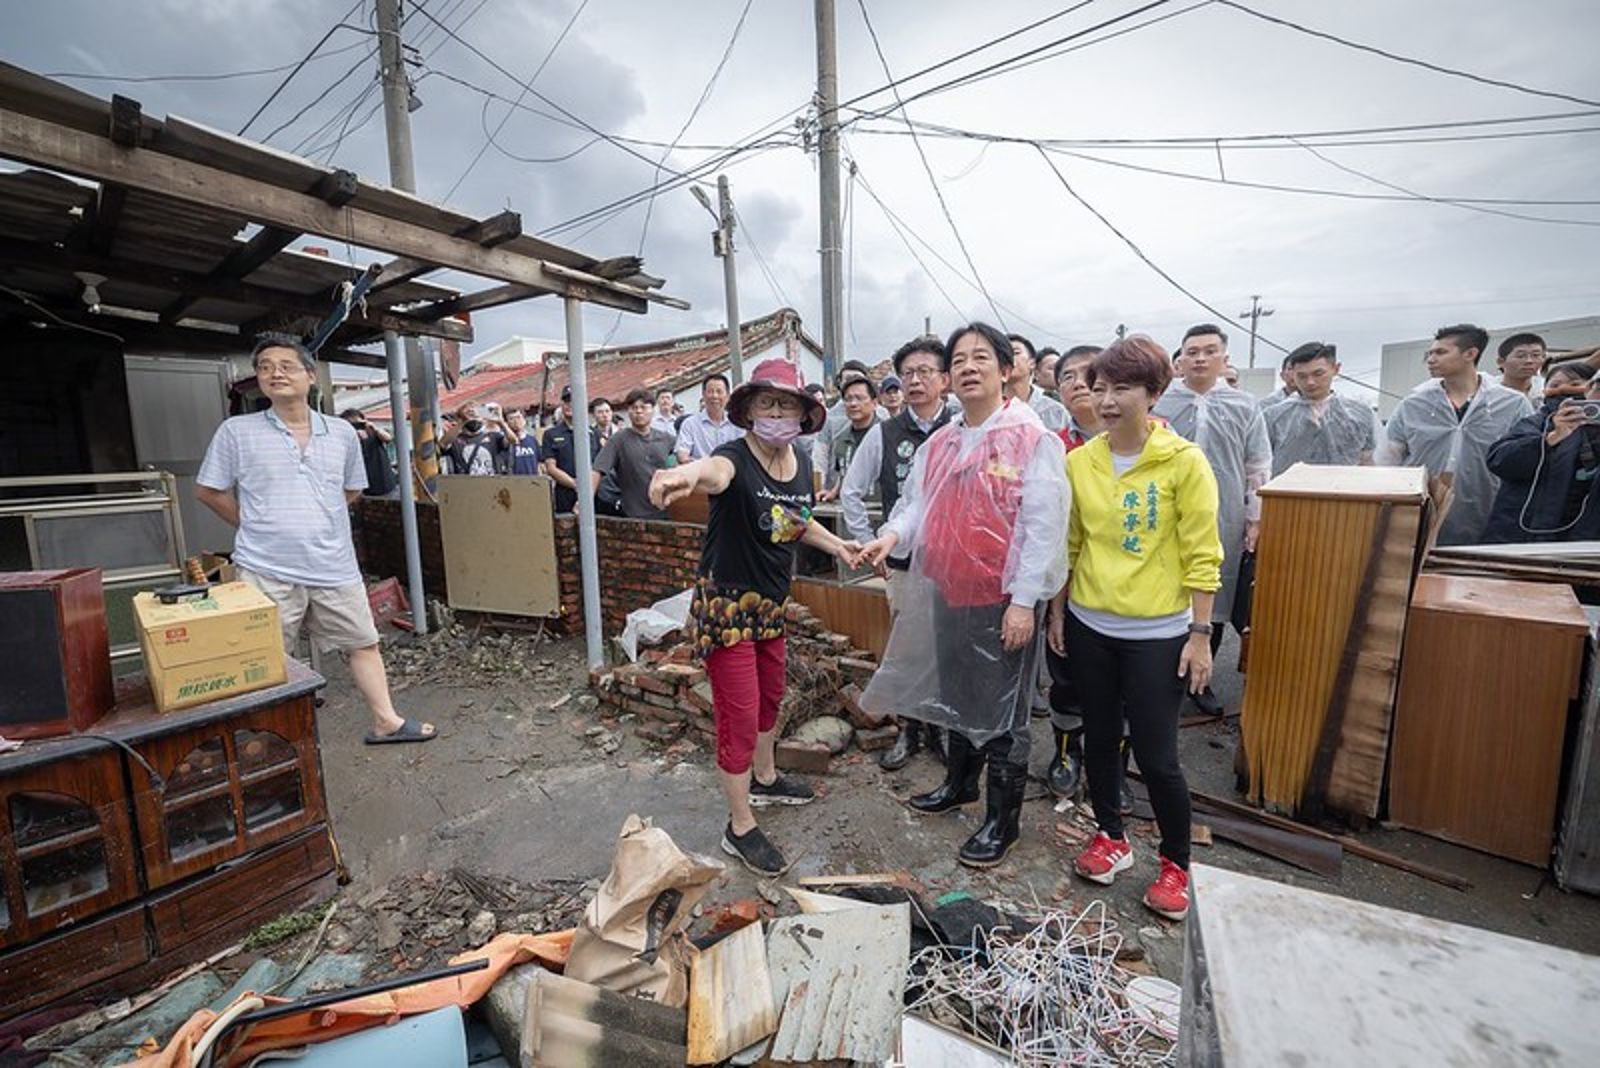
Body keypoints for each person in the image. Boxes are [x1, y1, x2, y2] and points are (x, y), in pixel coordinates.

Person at [860, 322, 1069, 868]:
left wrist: (1025, 601)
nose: (969, 367)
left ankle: (1004, 822)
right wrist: (891, 535)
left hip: (1003, 601)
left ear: (1007, 370)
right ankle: (960, 784)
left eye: (981, 357)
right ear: (950, 378)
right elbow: (914, 507)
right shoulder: (943, 442)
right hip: (949, 592)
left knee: (1004, 713)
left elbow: (1044, 529)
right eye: (959, 360)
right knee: (956, 698)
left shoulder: (1032, 438)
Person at [648, 359, 861, 876]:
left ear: (802, 415)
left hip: (770, 605)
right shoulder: (734, 457)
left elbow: (794, 522)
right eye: (766, 403)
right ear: (748, 412)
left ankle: (765, 779)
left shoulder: (799, 460)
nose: (776, 413)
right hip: (726, 607)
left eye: (786, 404)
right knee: (739, 716)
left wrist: (842, 546)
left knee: (770, 698)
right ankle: (739, 826)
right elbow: (710, 474)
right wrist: (682, 473)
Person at [1054, 334, 1222, 922]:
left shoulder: (1185, 462)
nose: (1106, 399)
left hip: (1159, 633)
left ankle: (1176, 863)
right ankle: (1111, 837)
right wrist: (1058, 611)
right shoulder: (1079, 462)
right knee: (1099, 741)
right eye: (1099, 387)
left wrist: (1200, 634)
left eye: (1123, 387)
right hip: (1090, 625)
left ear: (1153, 392)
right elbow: (1071, 543)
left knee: (1157, 756)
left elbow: (1204, 551)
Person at [196, 338, 435, 745]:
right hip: (265, 567)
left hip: (333, 565)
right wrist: (253, 524)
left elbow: (352, 489)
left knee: (363, 642)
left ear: (311, 376)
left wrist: (315, 519)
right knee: (267, 658)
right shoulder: (237, 431)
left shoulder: (341, 432)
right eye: (266, 366)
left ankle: (386, 722)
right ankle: (271, 740)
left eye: (287, 365)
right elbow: (209, 490)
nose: (276, 373)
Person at [839, 336, 953, 771]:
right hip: (903, 563)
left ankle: (942, 728)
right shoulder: (883, 433)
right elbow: (852, 490)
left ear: (944, 379)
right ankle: (910, 730)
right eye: (908, 373)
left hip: (953, 565)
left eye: (926, 371)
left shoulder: (962, 428)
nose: (916, 380)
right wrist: (872, 544)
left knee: (947, 648)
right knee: (906, 648)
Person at [1154, 324, 1271, 717]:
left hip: (1224, 515)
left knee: (1216, 594)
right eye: (1192, 352)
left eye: (1209, 351)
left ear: (1224, 358)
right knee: (1165, 591)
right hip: (1164, 515)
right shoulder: (1161, 403)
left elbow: (1257, 464)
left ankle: (1198, 681)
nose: (1200, 358)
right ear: (1180, 360)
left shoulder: (1244, 404)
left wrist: (1255, 519)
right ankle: (1162, 676)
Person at [1376, 323, 1533, 545]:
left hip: (1487, 514)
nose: (1431, 359)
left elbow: (1524, 459)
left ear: (1470, 354)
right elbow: (1386, 461)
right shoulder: (1413, 404)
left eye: (1440, 352)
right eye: (1429, 353)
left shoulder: (1512, 404)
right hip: (1419, 516)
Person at [1041, 343, 1106, 798]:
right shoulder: (1051, 447)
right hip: (1065, 583)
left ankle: (1113, 767)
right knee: (1065, 676)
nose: (1079, 383)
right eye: (1068, 376)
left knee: (1121, 688)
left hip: (1131, 593)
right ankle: (1066, 752)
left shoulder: (1157, 441)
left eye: (1090, 374)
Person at [1481, 363, 1600, 543]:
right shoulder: (1537, 423)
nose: (1563, 390)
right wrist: (1551, 438)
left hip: (1584, 543)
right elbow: (1499, 459)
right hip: (1520, 537)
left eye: (1575, 384)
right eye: (1554, 385)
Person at [1261, 342, 1382, 475]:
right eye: (1302, 376)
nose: (1310, 382)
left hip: (1345, 491)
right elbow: (1260, 461)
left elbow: (1370, 460)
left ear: (1335, 369)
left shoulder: (1360, 413)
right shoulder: (1274, 416)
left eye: (1318, 374)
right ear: (1292, 375)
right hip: (1289, 492)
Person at [591, 388, 677, 520]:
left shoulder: (667, 439)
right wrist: (584, 501)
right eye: (633, 407)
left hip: (667, 511)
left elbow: (685, 462)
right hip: (634, 515)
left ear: (653, 410)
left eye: (643, 407)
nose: (638, 411)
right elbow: (598, 470)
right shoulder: (618, 440)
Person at [818, 375, 879, 501]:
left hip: (882, 511)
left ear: (874, 403)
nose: (853, 404)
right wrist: (833, 492)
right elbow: (843, 473)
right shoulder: (841, 439)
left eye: (859, 398)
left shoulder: (887, 435)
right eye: (848, 399)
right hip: (852, 513)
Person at [541, 386, 597, 513]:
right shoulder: (551, 434)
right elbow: (550, 467)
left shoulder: (593, 433)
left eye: (574, 401)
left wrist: (588, 487)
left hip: (592, 493)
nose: (569, 405)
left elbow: (599, 466)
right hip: (565, 494)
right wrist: (575, 484)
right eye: (566, 401)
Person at [1007, 334, 1069, 431]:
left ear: (1032, 363)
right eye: (1002, 354)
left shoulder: (1055, 411)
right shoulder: (984, 410)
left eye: (1015, 352)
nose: (1008, 357)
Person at [674, 372, 740, 462]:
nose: (714, 396)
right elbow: (682, 454)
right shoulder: (690, 424)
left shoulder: (737, 423)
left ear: (728, 396)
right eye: (710, 391)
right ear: (703, 395)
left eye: (719, 391)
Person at [340, 409, 395, 497]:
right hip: (365, 488)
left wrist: (373, 428)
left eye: (359, 424)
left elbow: (388, 438)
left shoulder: (373, 432)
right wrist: (354, 437)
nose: (357, 427)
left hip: (385, 481)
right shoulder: (346, 439)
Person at [445, 401, 508, 476]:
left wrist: (500, 421)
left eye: (475, 415)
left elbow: (513, 440)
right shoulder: (455, 440)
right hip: (465, 484)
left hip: (491, 483)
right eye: (470, 415)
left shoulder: (493, 436)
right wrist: (463, 420)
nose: (473, 419)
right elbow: (442, 444)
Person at [1496, 332, 1546, 403]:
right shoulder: (1490, 391)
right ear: (1501, 362)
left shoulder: (1546, 387)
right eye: (1521, 356)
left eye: (1535, 355)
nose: (1529, 361)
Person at [502, 406, 542, 475]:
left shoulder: (532, 440)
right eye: (511, 419)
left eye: (518, 417)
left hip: (533, 482)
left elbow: (539, 464)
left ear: (524, 420)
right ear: (507, 423)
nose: (516, 421)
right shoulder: (505, 441)